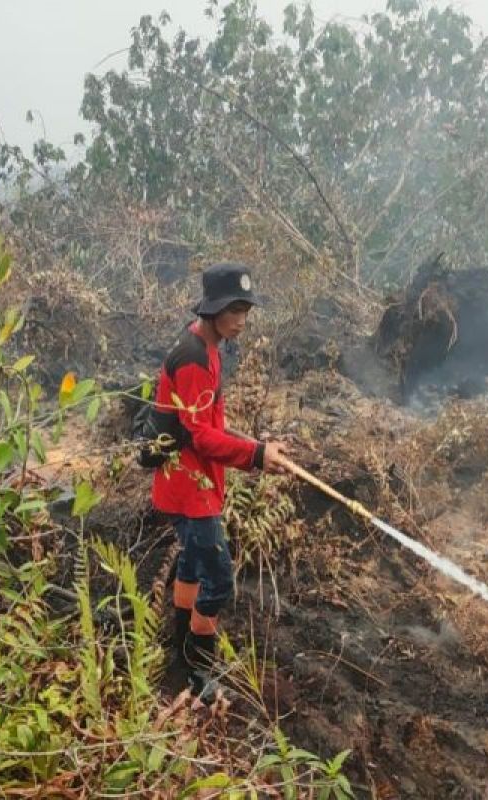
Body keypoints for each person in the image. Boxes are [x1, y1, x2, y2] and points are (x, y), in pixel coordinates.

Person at [151, 262, 291, 701]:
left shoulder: (210, 346)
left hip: (196, 483)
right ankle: (199, 673)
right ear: (213, 310)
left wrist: (260, 445)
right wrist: (254, 456)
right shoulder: (193, 358)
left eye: (246, 309)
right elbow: (199, 436)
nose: (243, 319)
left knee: (192, 565)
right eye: (236, 309)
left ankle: (181, 654)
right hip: (189, 489)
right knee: (219, 580)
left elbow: (212, 421)